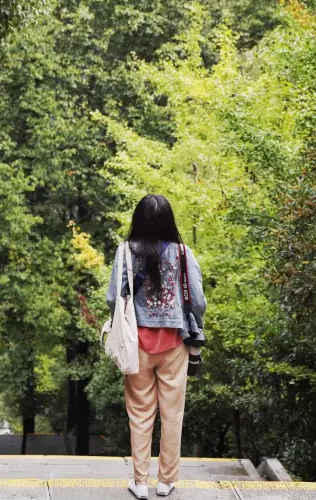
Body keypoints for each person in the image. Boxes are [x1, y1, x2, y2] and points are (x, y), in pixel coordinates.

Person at [106, 194, 206, 500]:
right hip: (175, 343)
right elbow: (198, 301)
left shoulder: (125, 252)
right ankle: (166, 481)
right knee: (172, 413)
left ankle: (141, 482)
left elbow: (113, 298)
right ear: (169, 221)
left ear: (138, 220)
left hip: (138, 343)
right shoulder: (183, 253)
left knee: (140, 413)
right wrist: (197, 325)